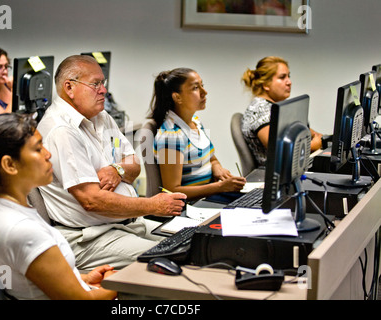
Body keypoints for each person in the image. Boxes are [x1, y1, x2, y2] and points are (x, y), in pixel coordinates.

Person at [37, 55, 186, 271]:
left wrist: (117, 169)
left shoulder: (101, 117)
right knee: (175, 259)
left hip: (123, 224)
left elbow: (134, 165)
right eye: (95, 84)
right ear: (69, 88)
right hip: (89, 238)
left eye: (103, 83)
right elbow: (92, 201)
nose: (103, 90)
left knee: (191, 244)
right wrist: (154, 205)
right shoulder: (62, 131)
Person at [0, 113, 117, 300]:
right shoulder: (22, 230)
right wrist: (115, 283)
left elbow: (15, 276)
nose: (48, 153)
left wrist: (81, 279)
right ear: (9, 164)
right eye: (38, 149)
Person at [149, 68, 246, 202]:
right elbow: (172, 190)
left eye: (202, 85)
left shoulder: (195, 122)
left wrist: (217, 168)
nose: (204, 92)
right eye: (195, 88)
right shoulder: (171, 136)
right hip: (194, 205)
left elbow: (211, 158)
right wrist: (220, 187)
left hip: (210, 194)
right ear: (177, 97)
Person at [241, 56, 322, 167]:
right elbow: (279, 150)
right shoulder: (260, 110)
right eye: (282, 77)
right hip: (277, 175)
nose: (289, 82)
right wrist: (313, 145)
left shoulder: (277, 107)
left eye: (289, 76)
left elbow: (310, 133)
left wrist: (324, 139)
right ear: (266, 84)